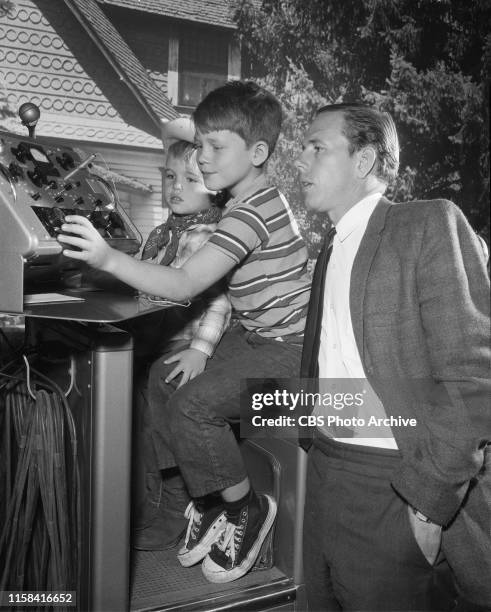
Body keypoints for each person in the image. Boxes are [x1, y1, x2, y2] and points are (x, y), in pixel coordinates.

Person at [57, 80, 311, 583]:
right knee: (162, 379)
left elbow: (184, 285)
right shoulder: (248, 200)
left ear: (258, 153)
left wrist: (108, 257)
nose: (204, 158)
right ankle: (204, 497)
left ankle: (244, 507)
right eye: (202, 145)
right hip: (256, 331)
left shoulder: (249, 216)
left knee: (194, 406)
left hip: (288, 345)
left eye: (217, 148)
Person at [295, 102, 491, 611]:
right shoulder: (330, 250)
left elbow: (473, 378)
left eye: (317, 147)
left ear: (363, 161)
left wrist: (427, 506)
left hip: (394, 483)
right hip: (325, 469)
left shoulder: (427, 224)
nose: (300, 161)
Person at [129, 135, 231, 551]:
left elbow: (220, 300)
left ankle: (177, 501)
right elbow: (141, 279)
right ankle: (143, 492)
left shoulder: (210, 234)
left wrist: (200, 350)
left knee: (159, 381)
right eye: (171, 176)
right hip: (159, 336)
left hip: (189, 343)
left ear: (213, 186)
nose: (176, 187)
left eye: (191, 179)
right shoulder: (161, 233)